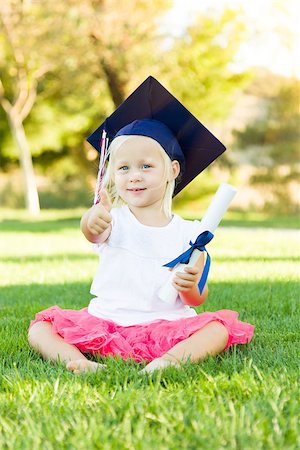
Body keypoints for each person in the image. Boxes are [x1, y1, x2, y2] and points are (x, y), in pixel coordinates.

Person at [28, 76, 254, 374]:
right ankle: (79, 362)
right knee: (41, 328)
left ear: (172, 170)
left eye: (146, 166)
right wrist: (91, 218)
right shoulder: (112, 220)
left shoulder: (190, 233)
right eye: (123, 168)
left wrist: (189, 289)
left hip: (166, 325)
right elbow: (91, 231)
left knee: (217, 329)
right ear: (112, 174)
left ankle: (168, 362)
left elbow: (198, 295)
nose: (134, 176)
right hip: (107, 320)